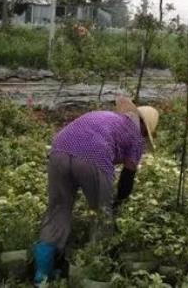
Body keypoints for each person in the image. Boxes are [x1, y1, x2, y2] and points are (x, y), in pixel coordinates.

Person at [32, 96, 159, 285]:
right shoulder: (136, 138)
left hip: (58, 151)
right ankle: (94, 269)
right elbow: (127, 177)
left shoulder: (106, 116)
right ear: (143, 126)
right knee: (101, 215)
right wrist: (117, 203)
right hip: (93, 157)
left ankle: (42, 275)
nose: (143, 137)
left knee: (58, 209)